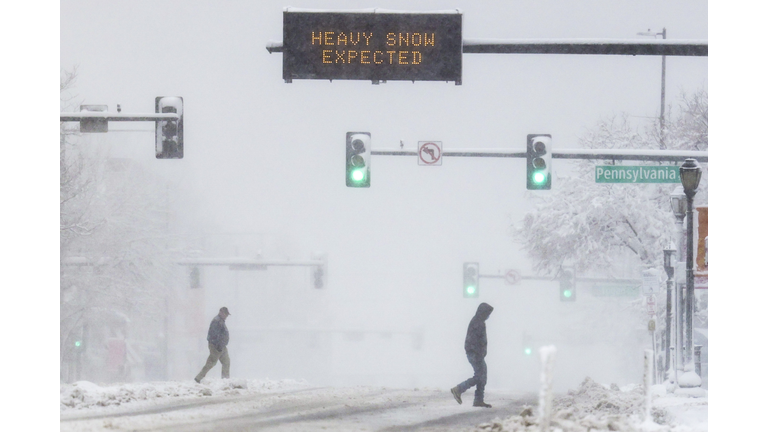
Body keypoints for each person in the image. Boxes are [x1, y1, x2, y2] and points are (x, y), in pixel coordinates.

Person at [451, 302, 494, 408]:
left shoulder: (479, 322)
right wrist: (478, 353)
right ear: (482, 312)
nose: (488, 316)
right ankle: (459, 389)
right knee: (480, 376)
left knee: (482, 375)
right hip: (475, 354)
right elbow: (474, 340)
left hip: (477, 353)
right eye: (487, 313)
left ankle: (478, 400)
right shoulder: (477, 323)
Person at [194, 307, 231, 383]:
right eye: (226, 314)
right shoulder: (216, 321)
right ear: (221, 312)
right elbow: (214, 335)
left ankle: (225, 380)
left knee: (226, 362)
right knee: (211, 362)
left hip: (221, 346)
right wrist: (218, 345)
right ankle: (199, 378)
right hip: (216, 346)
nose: (226, 316)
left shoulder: (220, 321)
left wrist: (222, 344)